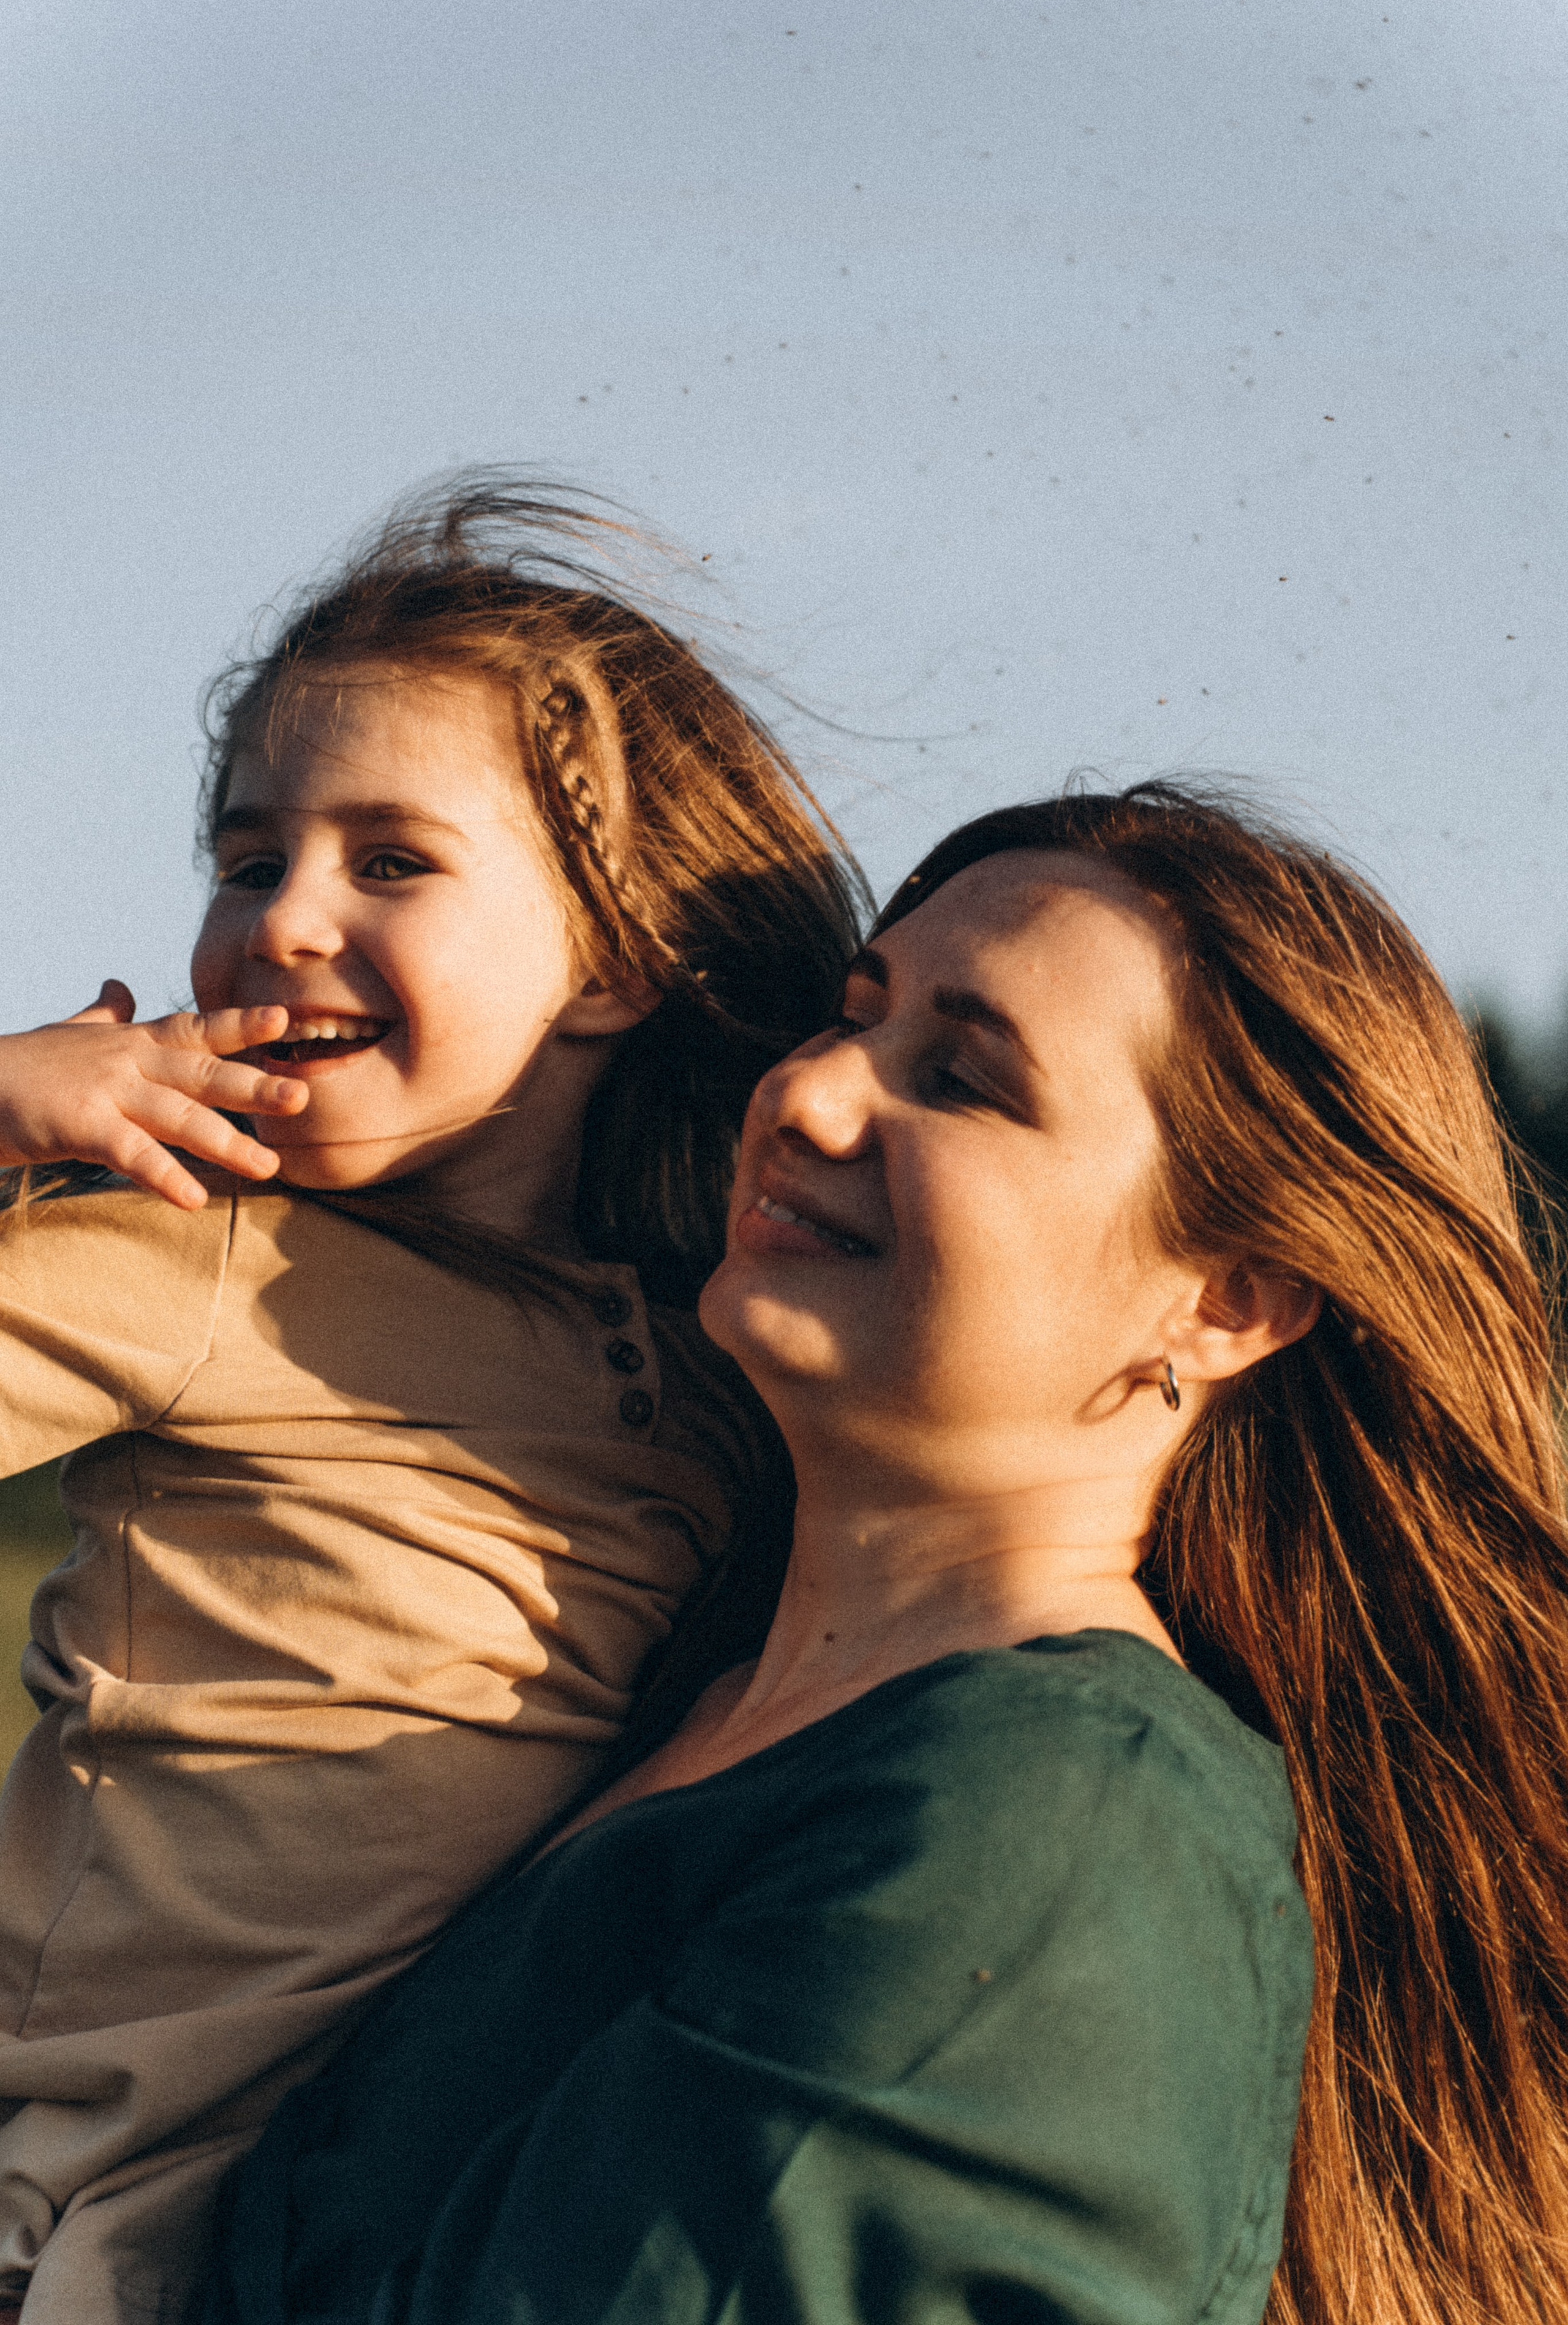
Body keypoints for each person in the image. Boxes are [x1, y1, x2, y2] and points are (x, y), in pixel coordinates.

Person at [202, 782, 1568, 2325]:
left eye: (964, 1080)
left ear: (1227, 1298)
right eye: (851, 1017)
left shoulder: (1054, 1808)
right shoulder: (648, 1696)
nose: (809, 1098)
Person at [0, 480, 862, 2323]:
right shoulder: (200, 1260)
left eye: (390, 862)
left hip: (423, 2223)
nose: (286, 919)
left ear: (621, 960)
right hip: (78, 2222)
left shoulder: (716, 1357)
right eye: (250, 860)